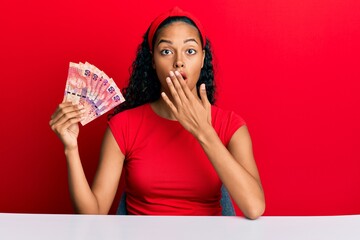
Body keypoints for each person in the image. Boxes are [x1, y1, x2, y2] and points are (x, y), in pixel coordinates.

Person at [49, 7, 265, 219]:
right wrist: (71, 148)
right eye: (166, 51)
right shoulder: (123, 126)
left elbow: (254, 208)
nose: (178, 61)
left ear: (202, 59)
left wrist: (203, 131)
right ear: (153, 61)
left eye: (190, 51)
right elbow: (93, 214)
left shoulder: (231, 125)